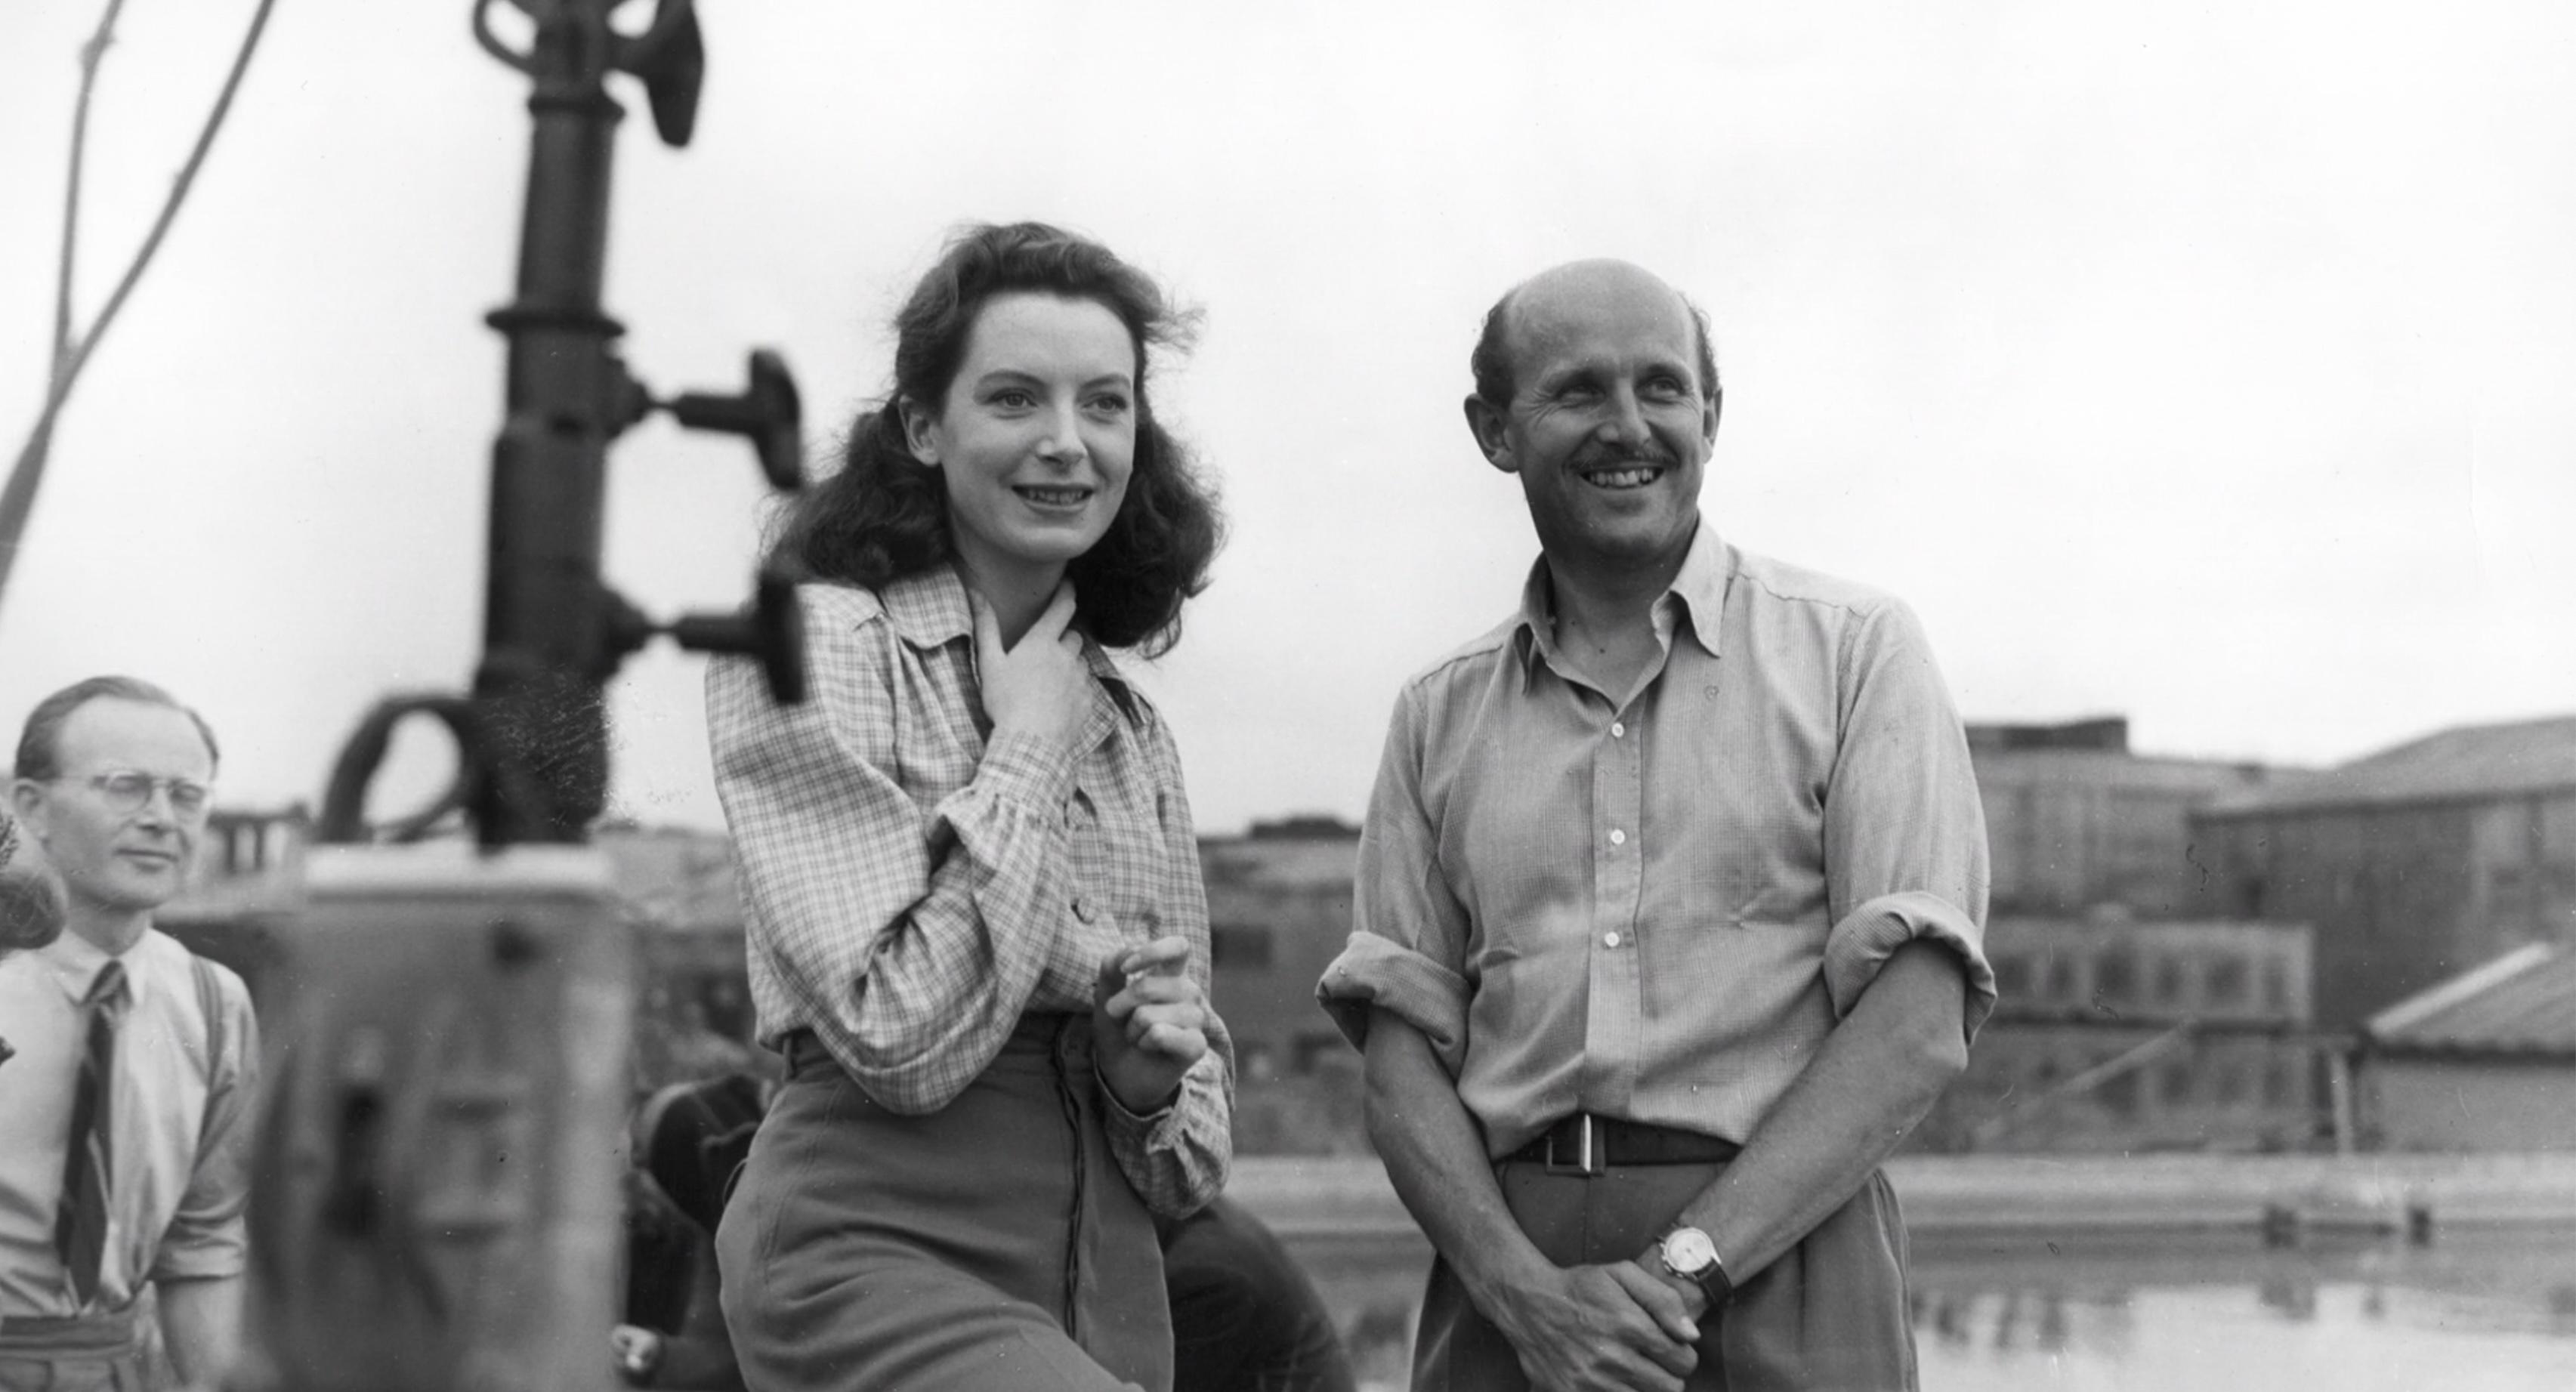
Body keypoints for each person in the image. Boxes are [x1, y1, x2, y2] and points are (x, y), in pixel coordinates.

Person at [1317, 261, 1994, 1392]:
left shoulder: (1856, 652)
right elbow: (1398, 1060)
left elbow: (1917, 1021)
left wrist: (1681, 1272)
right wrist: (1525, 1296)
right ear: (1494, 429)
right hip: (1508, 1295)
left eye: (1662, 388)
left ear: (1710, 417)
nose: (1627, 425)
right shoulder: (1438, 710)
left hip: (1789, 1265)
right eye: (1578, 391)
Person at [705, 221, 1234, 1392]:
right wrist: (1030, 748)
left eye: (1105, 404)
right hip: (868, 1245)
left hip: (1101, 1276)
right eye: (1012, 398)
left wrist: (1140, 1082)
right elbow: (897, 1034)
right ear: (920, 425)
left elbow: (1196, 1150)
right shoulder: (816, 642)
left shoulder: (1134, 724)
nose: (1066, 443)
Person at [0, 676, 259, 1390]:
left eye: (186, 794)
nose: (160, 818)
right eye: (125, 786)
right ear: (31, 807)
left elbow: (203, 1242)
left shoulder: (212, 1002)